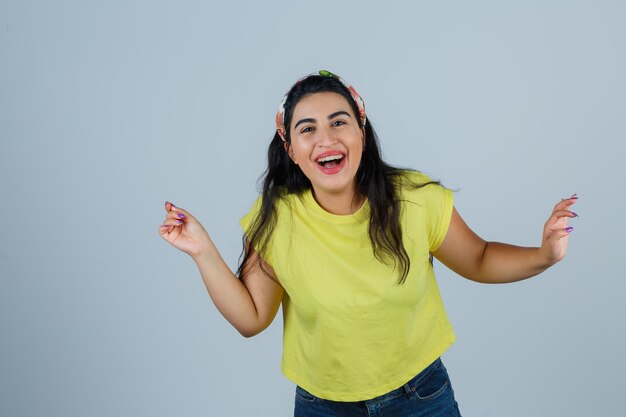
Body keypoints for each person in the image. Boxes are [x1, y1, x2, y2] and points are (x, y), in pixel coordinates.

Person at [158, 70, 578, 417]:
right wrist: (202, 250)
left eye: (339, 121)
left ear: (361, 128)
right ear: (291, 147)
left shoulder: (415, 198)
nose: (326, 138)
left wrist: (544, 255)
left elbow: (480, 259)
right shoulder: (276, 220)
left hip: (420, 399)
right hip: (322, 407)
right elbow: (251, 319)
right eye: (308, 129)